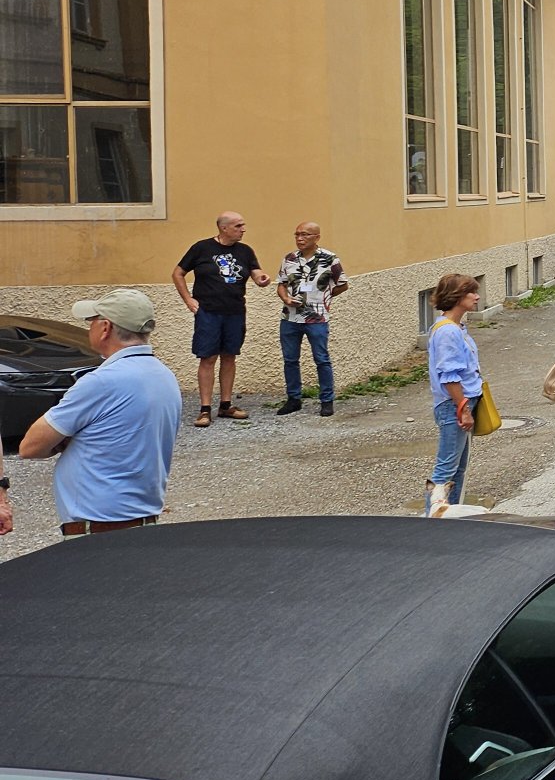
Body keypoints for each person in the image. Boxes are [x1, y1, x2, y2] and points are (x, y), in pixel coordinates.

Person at [15, 289, 182, 537]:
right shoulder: (164, 375)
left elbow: (30, 446)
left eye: (91, 321)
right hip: (141, 519)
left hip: (98, 529)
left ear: (105, 328)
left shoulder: (101, 381)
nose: (88, 328)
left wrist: (64, 441)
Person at [172, 211, 271, 426]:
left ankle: (226, 405)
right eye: (238, 226)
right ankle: (205, 409)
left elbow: (255, 271)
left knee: (229, 356)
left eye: (243, 225)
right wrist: (188, 299)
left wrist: (261, 278)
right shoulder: (201, 248)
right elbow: (178, 273)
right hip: (208, 312)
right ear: (224, 228)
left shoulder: (245, 251)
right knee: (207, 358)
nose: (243, 229)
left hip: (235, 312)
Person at [425, 274, 484, 515]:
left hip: (460, 404)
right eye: (472, 292)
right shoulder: (448, 331)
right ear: (457, 296)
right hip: (454, 405)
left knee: (458, 469)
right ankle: (434, 521)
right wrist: (463, 409)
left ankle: (453, 517)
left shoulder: (456, 327)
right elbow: (449, 376)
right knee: (446, 470)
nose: (477, 297)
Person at [276, 221, 348, 417]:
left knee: (322, 359)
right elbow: (281, 284)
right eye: (297, 234)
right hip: (290, 317)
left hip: (317, 318)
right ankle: (293, 399)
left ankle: (327, 400)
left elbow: (343, 284)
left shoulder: (330, 259)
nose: (300, 238)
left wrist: (324, 297)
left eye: (305, 235)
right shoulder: (289, 259)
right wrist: (285, 298)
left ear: (316, 237)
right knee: (290, 360)